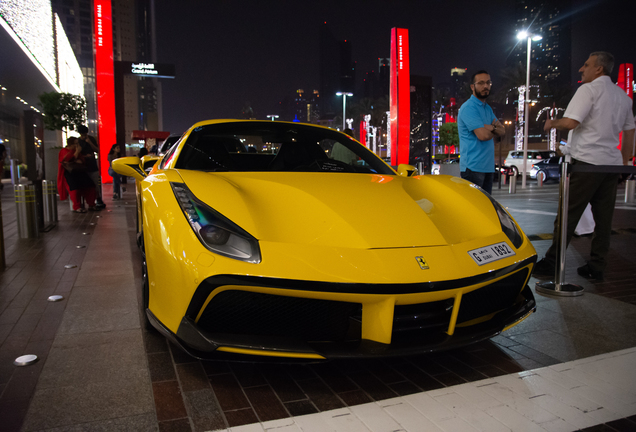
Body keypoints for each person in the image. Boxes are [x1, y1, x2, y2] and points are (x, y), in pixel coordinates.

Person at [533, 52, 635, 281]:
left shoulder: (588, 90)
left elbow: (571, 122)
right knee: (604, 219)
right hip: (610, 166)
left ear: (599, 69)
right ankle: (597, 265)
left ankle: (551, 263)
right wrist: (624, 163)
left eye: (586, 65)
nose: (581, 68)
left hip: (586, 163)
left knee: (567, 215)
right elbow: (629, 133)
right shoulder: (623, 97)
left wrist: (552, 123)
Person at [457, 70, 504, 194]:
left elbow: (502, 130)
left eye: (488, 83)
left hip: (488, 167)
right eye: (481, 83)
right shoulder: (468, 108)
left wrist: (490, 127)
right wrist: (493, 128)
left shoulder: (487, 108)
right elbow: (482, 135)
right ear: (473, 87)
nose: (485, 86)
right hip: (472, 168)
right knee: (473, 209)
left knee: (485, 208)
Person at [57, 136, 97, 212]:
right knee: (74, 189)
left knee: (90, 186)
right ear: (70, 144)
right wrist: (77, 153)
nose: (77, 146)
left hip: (79, 172)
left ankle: (91, 204)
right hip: (70, 173)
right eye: (75, 144)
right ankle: (77, 206)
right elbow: (67, 159)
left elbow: (81, 160)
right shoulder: (64, 151)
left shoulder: (77, 151)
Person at [77, 125, 106, 209]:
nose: (84, 136)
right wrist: (84, 156)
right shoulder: (78, 141)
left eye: (85, 134)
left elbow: (97, 150)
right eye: (82, 134)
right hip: (83, 166)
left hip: (92, 165)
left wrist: (89, 142)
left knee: (95, 184)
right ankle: (84, 202)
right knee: (83, 185)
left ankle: (98, 199)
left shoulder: (91, 139)